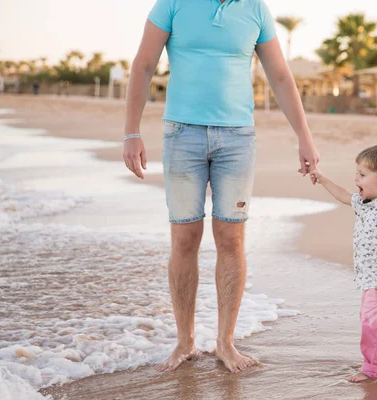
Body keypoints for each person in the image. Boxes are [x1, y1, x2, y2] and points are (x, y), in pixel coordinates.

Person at [122, 0, 320, 374]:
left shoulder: (256, 10)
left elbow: (280, 76)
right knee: (184, 239)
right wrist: (132, 132)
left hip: (237, 140)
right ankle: (185, 342)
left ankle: (225, 344)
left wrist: (304, 137)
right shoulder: (172, 4)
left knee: (231, 239)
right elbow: (144, 64)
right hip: (182, 136)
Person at [309, 145, 377, 383]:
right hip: (371, 281)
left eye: (362, 175)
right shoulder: (368, 202)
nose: (356, 178)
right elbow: (344, 195)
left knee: (375, 327)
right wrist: (322, 179)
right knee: (372, 324)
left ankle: (372, 371)